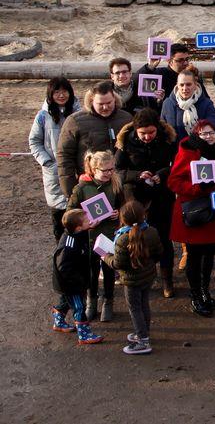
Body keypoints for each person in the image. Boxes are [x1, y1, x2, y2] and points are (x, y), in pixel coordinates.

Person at [168, 119, 215, 317]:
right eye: (204, 134)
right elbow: (174, 181)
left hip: (213, 210)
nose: (208, 136)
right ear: (196, 135)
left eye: (211, 133)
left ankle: (205, 290)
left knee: (209, 254)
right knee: (194, 256)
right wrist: (197, 188)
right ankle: (195, 295)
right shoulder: (187, 151)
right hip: (193, 210)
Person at [114, 108, 178, 298]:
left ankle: (167, 279)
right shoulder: (125, 142)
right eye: (143, 133)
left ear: (157, 128)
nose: (147, 137)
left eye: (151, 132)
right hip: (135, 197)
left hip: (161, 195)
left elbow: (174, 164)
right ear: (135, 130)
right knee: (136, 237)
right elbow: (118, 170)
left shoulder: (168, 140)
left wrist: (162, 174)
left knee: (164, 237)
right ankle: (139, 276)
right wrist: (137, 175)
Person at [67, 150, 124, 322]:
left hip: (109, 235)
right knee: (91, 272)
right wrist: (85, 221)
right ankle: (91, 301)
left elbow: (122, 204)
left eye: (112, 169)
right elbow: (70, 212)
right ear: (93, 169)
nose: (109, 173)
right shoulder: (81, 188)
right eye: (105, 170)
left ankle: (108, 301)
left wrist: (118, 213)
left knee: (108, 270)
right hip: (89, 236)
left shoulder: (115, 184)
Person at [57, 81, 132, 197]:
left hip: (122, 183)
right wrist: (70, 190)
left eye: (109, 103)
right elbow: (64, 156)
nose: (105, 107)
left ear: (115, 99)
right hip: (90, 186)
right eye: (100, 104)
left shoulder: (127, 119)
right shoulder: (75, 121)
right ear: (92, 101)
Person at [29, 77, 80, 239]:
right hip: (54, 172)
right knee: (58, 216)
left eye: (64, 91)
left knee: (79, 214)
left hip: (76, 170)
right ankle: (61, 253)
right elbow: (34, 141)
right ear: (50, 94)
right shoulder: (43, 116)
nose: (61, 95)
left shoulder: (79, 114)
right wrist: (47, 162)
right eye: (56, 92)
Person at [112, 200, 163, 355]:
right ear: (143, 215)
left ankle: (142, 340)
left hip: (131, 280)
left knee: (135, 308)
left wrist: (105, 257)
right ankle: (144, 332)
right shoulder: (152, 232)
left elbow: (118, 264)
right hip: (148, 276)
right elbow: (159, 253)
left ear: (123, 219)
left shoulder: (123, 239)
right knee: (144, 304)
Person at [51, 209, 103, 345]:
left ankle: (59, 321)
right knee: (79, 307)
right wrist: (79, 283)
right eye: (86, 221)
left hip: (70, 282)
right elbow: (64, 268)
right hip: (71, 284)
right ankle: (84, 335)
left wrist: (89, 227)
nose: (89, 221)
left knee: (65, 302)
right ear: (78, 227)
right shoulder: (69, 246)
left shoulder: (78, 234)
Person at [160, 68, 215, 142]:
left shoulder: (206, 103)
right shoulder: (168, 103)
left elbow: (214, 125)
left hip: (200, 148)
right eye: (181, 85)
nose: (185, 88)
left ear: (195, 85)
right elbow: (162, 128)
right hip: (175, 150)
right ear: (177, 85)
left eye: (188, 84)